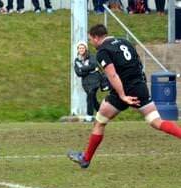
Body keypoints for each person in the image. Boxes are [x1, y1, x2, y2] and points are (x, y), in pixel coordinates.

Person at [68, 24, 181, 169]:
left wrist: (123, 95)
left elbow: (113, 75)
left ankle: (86, 158)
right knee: (156, 121)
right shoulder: (125, 42)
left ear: (97, 37)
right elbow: (139, 65)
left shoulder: (103, 50)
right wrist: (140, 85)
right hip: (139, 87)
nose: (91, 43)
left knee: (100, 122)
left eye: (91, 40)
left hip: (122, 90)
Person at [74, 41, 101, 122]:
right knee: (93, 99)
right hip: (85, 82)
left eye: (83, 48)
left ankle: (89, 116)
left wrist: (82, 68)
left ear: (86, 48)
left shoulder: (91, 56)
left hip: (94, 80)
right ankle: (102, 114)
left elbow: (93, 65)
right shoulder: (77, 60)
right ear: (77, 49)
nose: (81, 49)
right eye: (79, 48)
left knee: (90, 96)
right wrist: (88, 69)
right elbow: (78, 73)